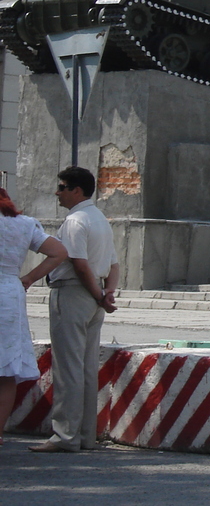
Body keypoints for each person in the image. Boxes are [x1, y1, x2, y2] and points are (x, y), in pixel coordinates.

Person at [29, 167, 119, 454]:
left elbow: (79, 265)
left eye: (62, 186)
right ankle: (85, 436)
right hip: (96, 296)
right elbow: (114, 265)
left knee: (68, 368)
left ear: (76, 191)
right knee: (86, 367)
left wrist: (97, 294)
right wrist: (107, 294)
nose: (58, 192)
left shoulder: (75, 221)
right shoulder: (100, 219)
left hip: (73, 293)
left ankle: (64, 436)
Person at [1, 188, 68, 447]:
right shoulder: (24, 224)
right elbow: (58, 252)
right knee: (5, 370)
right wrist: (29, 278)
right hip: (9, 292)